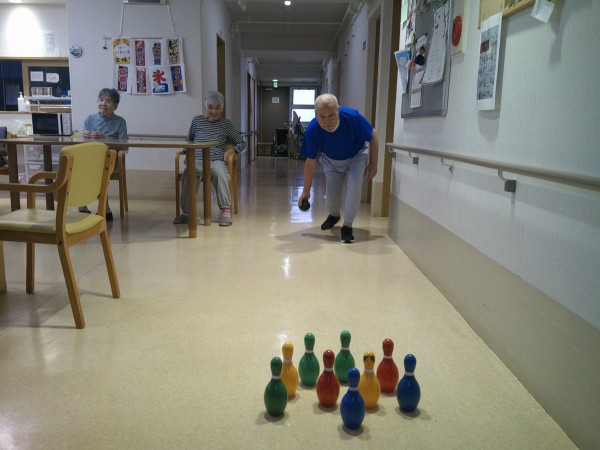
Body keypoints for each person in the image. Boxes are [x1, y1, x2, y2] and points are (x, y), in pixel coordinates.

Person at [297, 93, 378, 243]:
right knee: (331, 198)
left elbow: (372, 135)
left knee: (354, 187)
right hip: (331, 160)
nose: (327, 121)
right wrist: (306, 191)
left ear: (338, 110)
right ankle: (334, 215)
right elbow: (310, 162)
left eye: (331, 115)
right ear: (315, 114)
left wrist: (374, 163)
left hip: (356, 156)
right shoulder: (313, 130)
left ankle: (347, 226)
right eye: (322, 116)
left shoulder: (353, 118)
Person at [174, 90, 245, 227]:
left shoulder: (226, 124)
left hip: (216, 161)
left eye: (217, 108)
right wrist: (186, 152)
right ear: (205, 107)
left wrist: (232, 150)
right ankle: (187, 212)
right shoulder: (197, 120)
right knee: (190, 171)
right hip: (198, 160)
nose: (214, 111)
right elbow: (189, 139)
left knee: (220, 173)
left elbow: (241, 142)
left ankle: (225, 211)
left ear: (222, 108)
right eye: (210, 107)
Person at [81, 88, 128, 221]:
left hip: (111, 159)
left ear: (115, 106)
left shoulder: (120, 122)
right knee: (74, 165)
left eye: (108, 101)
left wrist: (105, 138)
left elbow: (124, 146)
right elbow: (83, 143)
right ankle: (82, 206)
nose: (103, 104)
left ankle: (104, 207)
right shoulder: (90, 119)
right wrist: (86, 136)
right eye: (101, 100)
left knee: (98, 167)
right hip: (90, 157)